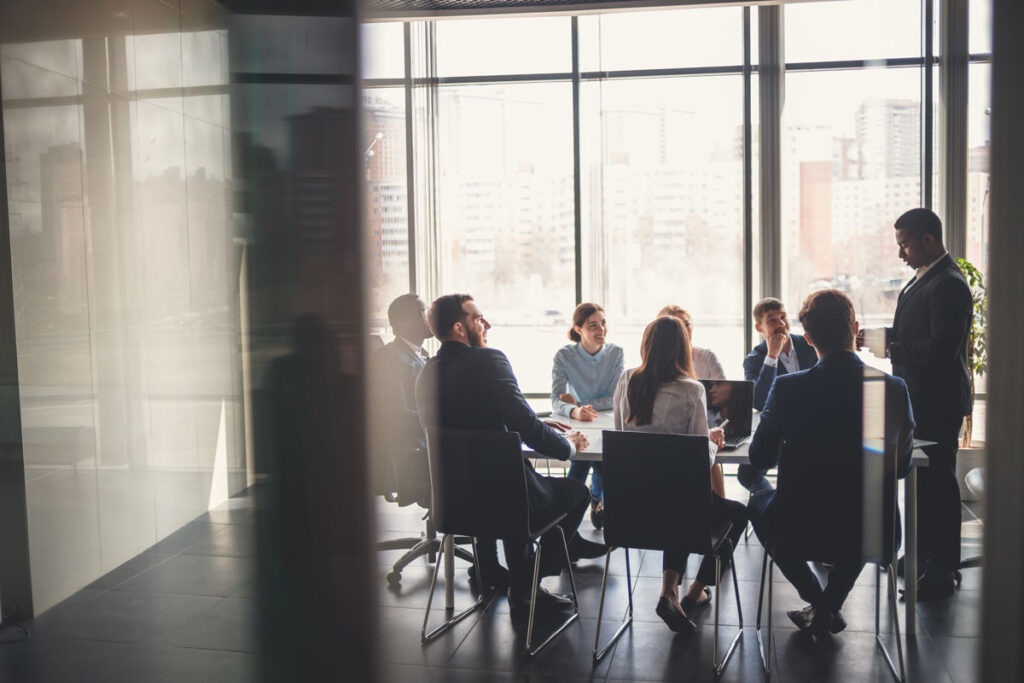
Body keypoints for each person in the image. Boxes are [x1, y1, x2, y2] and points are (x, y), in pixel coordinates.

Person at [416, 294, 606, 619]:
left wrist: (527, 423)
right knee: (577, 493)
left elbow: (469, 420)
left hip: (455, 501)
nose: (486, 324)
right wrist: (569, 446)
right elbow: (526, 429)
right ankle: (525, 586)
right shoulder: (489, 360)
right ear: (460, 328)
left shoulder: (425, 374)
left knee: (510, 487)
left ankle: (489, 573)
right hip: (506, 499)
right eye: (478, 318)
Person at [747, 289, 915, 636]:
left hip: (799, 526)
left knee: (759, 504)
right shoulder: (891, 388)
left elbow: (758, 459)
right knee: (859, 513)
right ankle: (829, 605)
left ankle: (818, 600)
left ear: (807, 338)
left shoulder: (788, 389)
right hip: (874, 530)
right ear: (854, 327)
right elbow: (901, 468)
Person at [859, 208, 973, 599]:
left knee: (939, 485)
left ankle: (941, 570)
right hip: (920, 398)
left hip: (938, 402)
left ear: (928, 240)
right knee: (924, 483)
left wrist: (893, 345)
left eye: (905, 244)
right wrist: (883, 338)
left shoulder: (950, 284)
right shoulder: (925, 279)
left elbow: (942, 349)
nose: (900, 253)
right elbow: (918, 333)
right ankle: (924, 558)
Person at [612, 316, 747, 636]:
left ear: (646, 345)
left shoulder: (626, 380)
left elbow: (620, 438)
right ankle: (694, 590)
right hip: (682, 513)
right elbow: (699, 460)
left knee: (679, 497)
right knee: (735, 513)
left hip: (631, 513)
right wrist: (712, 442)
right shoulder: (691, 390)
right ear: (683, 350)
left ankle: (670, 592)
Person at [551, 303, 624, 530]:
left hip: (607, 422)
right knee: (580, 464)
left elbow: (615, 397)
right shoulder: (564, 356)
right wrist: (573, 411)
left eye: (603, 323)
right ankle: (568, 523)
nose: (601, 329)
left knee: (602, 462)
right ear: (578, 329)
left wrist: (579, 404)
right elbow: (557, 400)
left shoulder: (616, 353)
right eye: (593, 325)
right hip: (577, 422)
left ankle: (592, 499)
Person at [739, 297, 819, 493]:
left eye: (783, 317)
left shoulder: (810, 345)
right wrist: (772, 357)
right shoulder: (754, 360)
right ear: (759, 327)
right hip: (778, 428)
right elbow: (758, 401)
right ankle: (773, 501)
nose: (781, 324)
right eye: (772, 320)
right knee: (747, 473)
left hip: (814, 424)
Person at [659, 305, 729, 499]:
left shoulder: (705, 357)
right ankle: (714, 512)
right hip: (683, 437)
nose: (681, 329)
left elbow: (724, 393)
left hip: (706, 421)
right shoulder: (691, 388)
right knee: (706, 450)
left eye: (686, 324)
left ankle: (715, 505)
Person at [658, 305, 726, 380]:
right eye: (678, 327)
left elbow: (723, 389)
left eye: (687, 324)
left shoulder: (707, 357)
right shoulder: (656, 362)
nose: (684, 330)